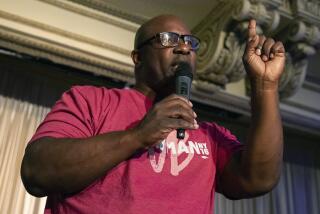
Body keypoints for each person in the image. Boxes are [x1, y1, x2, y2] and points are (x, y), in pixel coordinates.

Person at [21, 15, 285, 213]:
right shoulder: (92, 100)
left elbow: (258, 179)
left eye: (189, 42)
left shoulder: (209, 135)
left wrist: (266, 86)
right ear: (138, 57)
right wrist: (138, 136)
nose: (183, 48)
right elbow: (37, 171)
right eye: (168, 39)